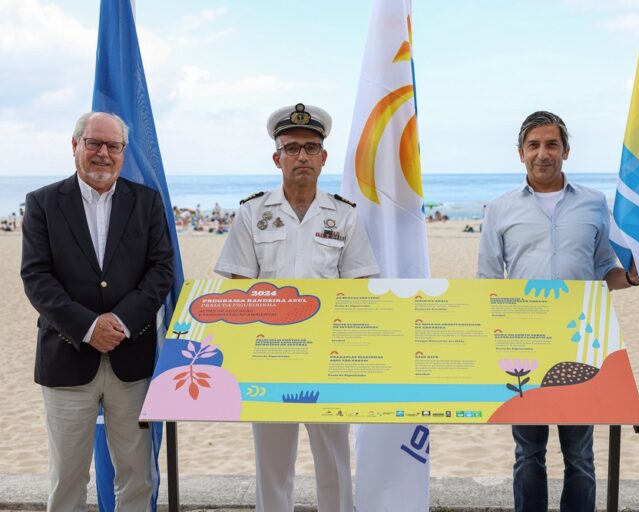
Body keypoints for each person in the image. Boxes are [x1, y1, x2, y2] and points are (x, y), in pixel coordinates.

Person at [214, 103, 379, 512]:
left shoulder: (344, 215)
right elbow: (238, 290)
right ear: (277, 158)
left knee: (336, 466)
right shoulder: (252, 214)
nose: (301, 156)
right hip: (270, 358)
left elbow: (357, 290)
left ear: (323, 158)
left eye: (310, 148)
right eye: (291, 148)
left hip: (328, 358)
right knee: (272, 469)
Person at [477, 111, 639, 512]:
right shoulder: (499, 209)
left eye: (551, 144)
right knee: (528, 454)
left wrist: (633, 278)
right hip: (523, 347)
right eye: (533, 145)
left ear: (566, 151)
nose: (542, 153)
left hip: (580, 344)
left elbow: (605, 269)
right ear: (520, 154)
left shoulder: (594, 203)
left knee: (580, 457)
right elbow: (487, 283)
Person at [20, 111, 175, 511]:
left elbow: (161, 271)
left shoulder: (147, 202)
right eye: (94, 143)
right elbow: (37, 278)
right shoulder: (42, 203)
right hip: (67, 359)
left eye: (113, 146)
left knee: (137, 476)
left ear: (123, 152)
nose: (103, 153)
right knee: (67, 480)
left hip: (132, 359)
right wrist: (88, 327)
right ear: (75, 145)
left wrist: (120, 322)